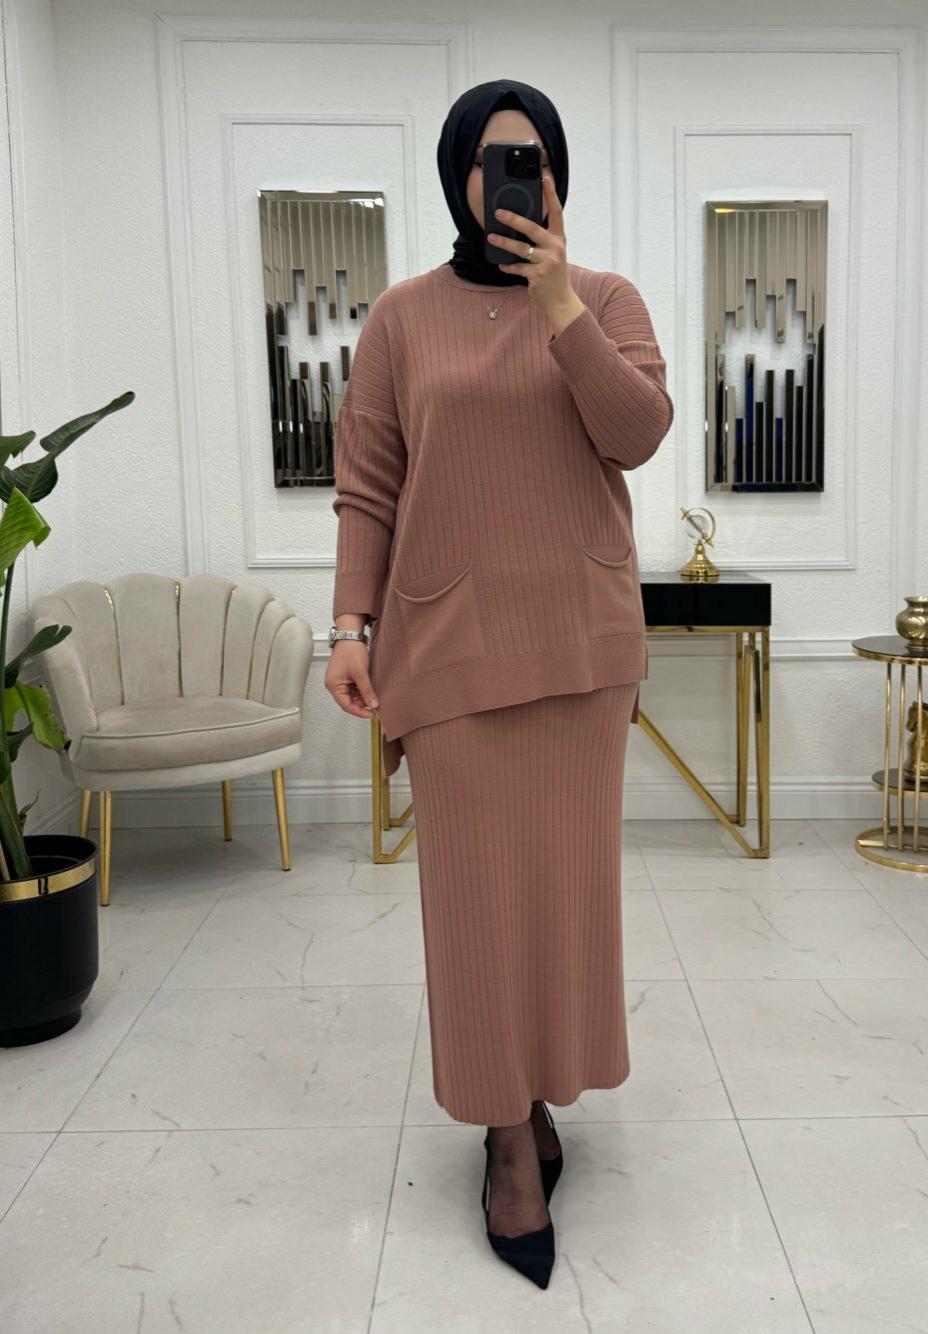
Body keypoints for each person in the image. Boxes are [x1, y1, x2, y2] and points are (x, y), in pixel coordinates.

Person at [325, 78, 674, 1289]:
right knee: (475, 909)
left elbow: (636, 432)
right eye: (488, 159)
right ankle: (506, 1133)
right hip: (448, 651)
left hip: (579, 649)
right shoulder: (401, 318)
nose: (509, 178)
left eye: (531, 158)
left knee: (561, 901)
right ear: (455, 176)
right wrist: (350, 625)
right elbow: (370, 484)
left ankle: (544, 1090)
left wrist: (559, 302)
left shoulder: (607, 300)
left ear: (558, 175)